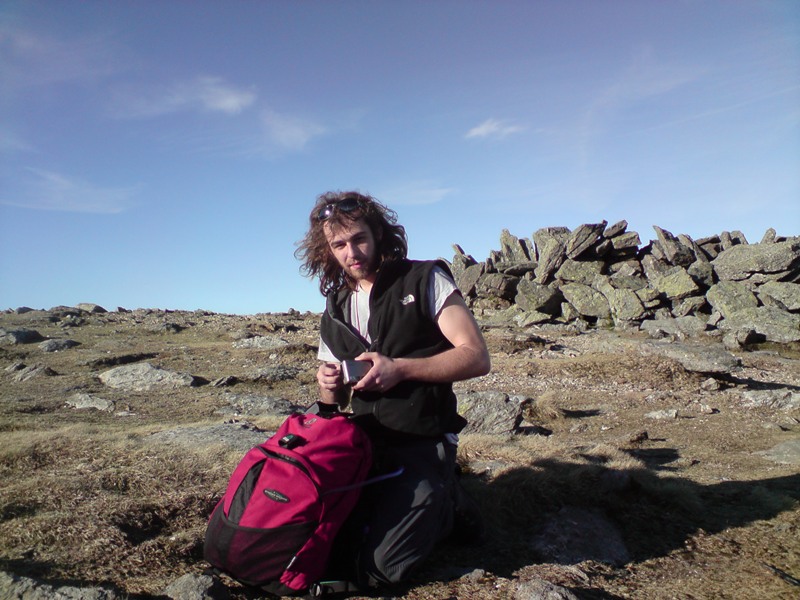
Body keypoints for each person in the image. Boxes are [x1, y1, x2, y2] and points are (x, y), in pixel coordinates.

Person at [295, 190, 491, 589]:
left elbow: (476, 357)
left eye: (359, 239)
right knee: (313, 539)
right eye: (339, 245)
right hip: (364, 445)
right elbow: (336, 401)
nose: (352, 253)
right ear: (327, 250)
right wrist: (328, 386)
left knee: (383, 568)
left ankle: (448, 502)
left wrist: (401, 370)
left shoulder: (425, 279)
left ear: (379, 234)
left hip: (423, 440)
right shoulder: (335, 308)